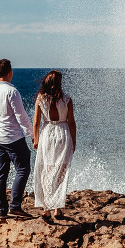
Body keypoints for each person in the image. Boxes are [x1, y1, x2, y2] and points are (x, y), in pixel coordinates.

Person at [0, 59, 34, 218]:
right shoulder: (12, 92)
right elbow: (22, 117)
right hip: (13, 138)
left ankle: (2, 209)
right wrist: (32, 134)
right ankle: (15, 206)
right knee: (23, 168)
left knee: (1, 172)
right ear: (10, 72)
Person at [32, 70, 77, 221]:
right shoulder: (67, 99)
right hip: (63, 134)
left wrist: (36, 139)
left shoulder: (40, 99)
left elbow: (37, 122)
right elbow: (71, 123)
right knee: (61, 171)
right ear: (59, 83)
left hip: (47, 134)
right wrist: (74, 141)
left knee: (47, 171)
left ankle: (46, 210)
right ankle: (58, 209)